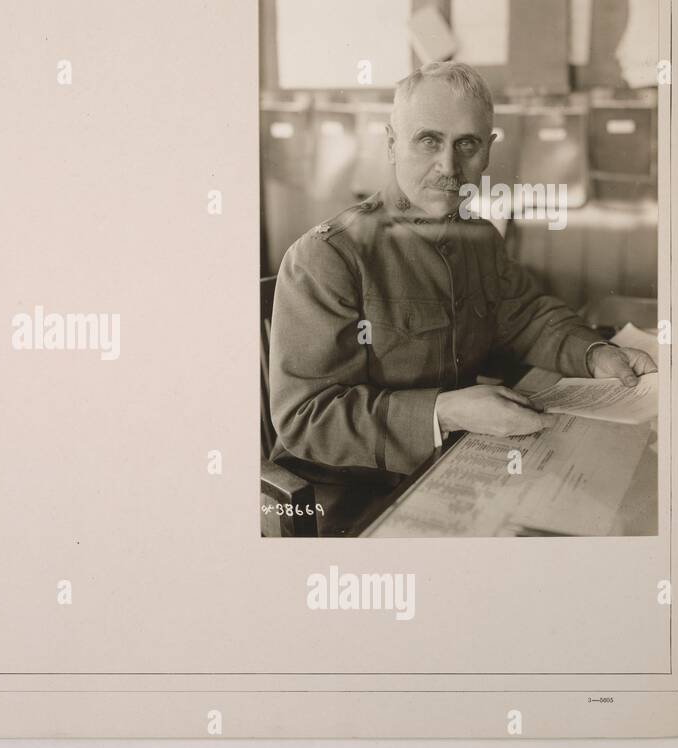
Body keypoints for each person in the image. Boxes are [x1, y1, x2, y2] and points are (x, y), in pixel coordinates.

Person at [268, 61, 656, 478]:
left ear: (488, 150)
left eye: (466, 145)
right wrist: (444, 412)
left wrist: (595, 355)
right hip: (347, 489)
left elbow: (524, 317)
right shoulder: (329, 256)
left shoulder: (480, 238)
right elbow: (305, 419)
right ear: (393, 143)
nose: (449, 167)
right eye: (429, 141)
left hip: (450, 462)